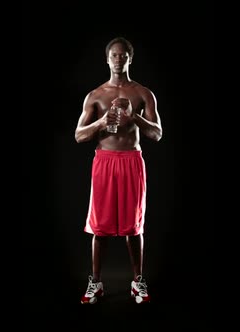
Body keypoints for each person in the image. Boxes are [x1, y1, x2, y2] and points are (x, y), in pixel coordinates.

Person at [74, 37, 163, 304]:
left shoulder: (143, 93)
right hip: (104, 160)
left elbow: (157, 133)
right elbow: (79, 135)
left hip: (131, 160)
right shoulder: (96, 95)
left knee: (133, 227)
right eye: (114, 55)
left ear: (130, 59)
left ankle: (138, 282)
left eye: (123, 55)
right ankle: (96, 283)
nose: (118, 60)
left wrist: (135, 117)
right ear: (107, 59)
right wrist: (102, 121)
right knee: (99, 227)